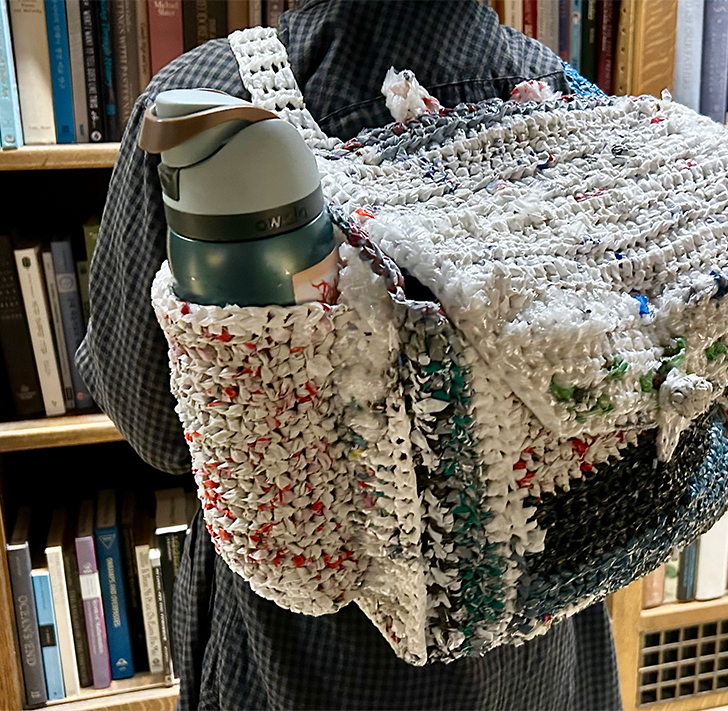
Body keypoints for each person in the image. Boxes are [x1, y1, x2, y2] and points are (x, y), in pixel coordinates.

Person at [77, 1, 623, 708]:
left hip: (303, 650)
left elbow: (153, 422)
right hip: (538, 631)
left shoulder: (208, 103)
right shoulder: (570, 99)